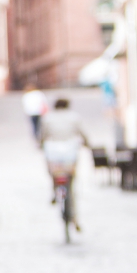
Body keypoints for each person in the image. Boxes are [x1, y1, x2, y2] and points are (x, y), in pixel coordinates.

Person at [41, 98, 89, 231]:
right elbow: (83, 133)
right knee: (71, 186)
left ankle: (54, 189)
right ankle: (75, 217)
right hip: (70, 154)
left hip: (54, 155)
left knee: (52, 172)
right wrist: (87, 143)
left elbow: (42, 135)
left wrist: (40, 144)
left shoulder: (47, 118)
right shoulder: (74, 117)